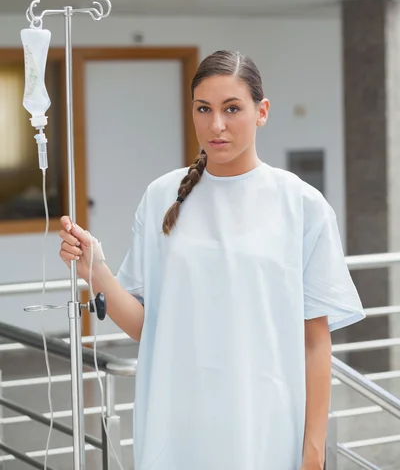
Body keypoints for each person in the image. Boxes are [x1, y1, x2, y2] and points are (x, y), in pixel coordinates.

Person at [59, 50, 365, 470]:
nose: (216, 125)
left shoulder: (301, 204)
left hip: (266, 429)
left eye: (232, 108)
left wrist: (313, 452)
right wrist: (95, 271)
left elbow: (315, 341)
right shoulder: (160, 198)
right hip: (176, 426)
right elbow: (149, 329)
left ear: (263, 111)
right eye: (204, 109)